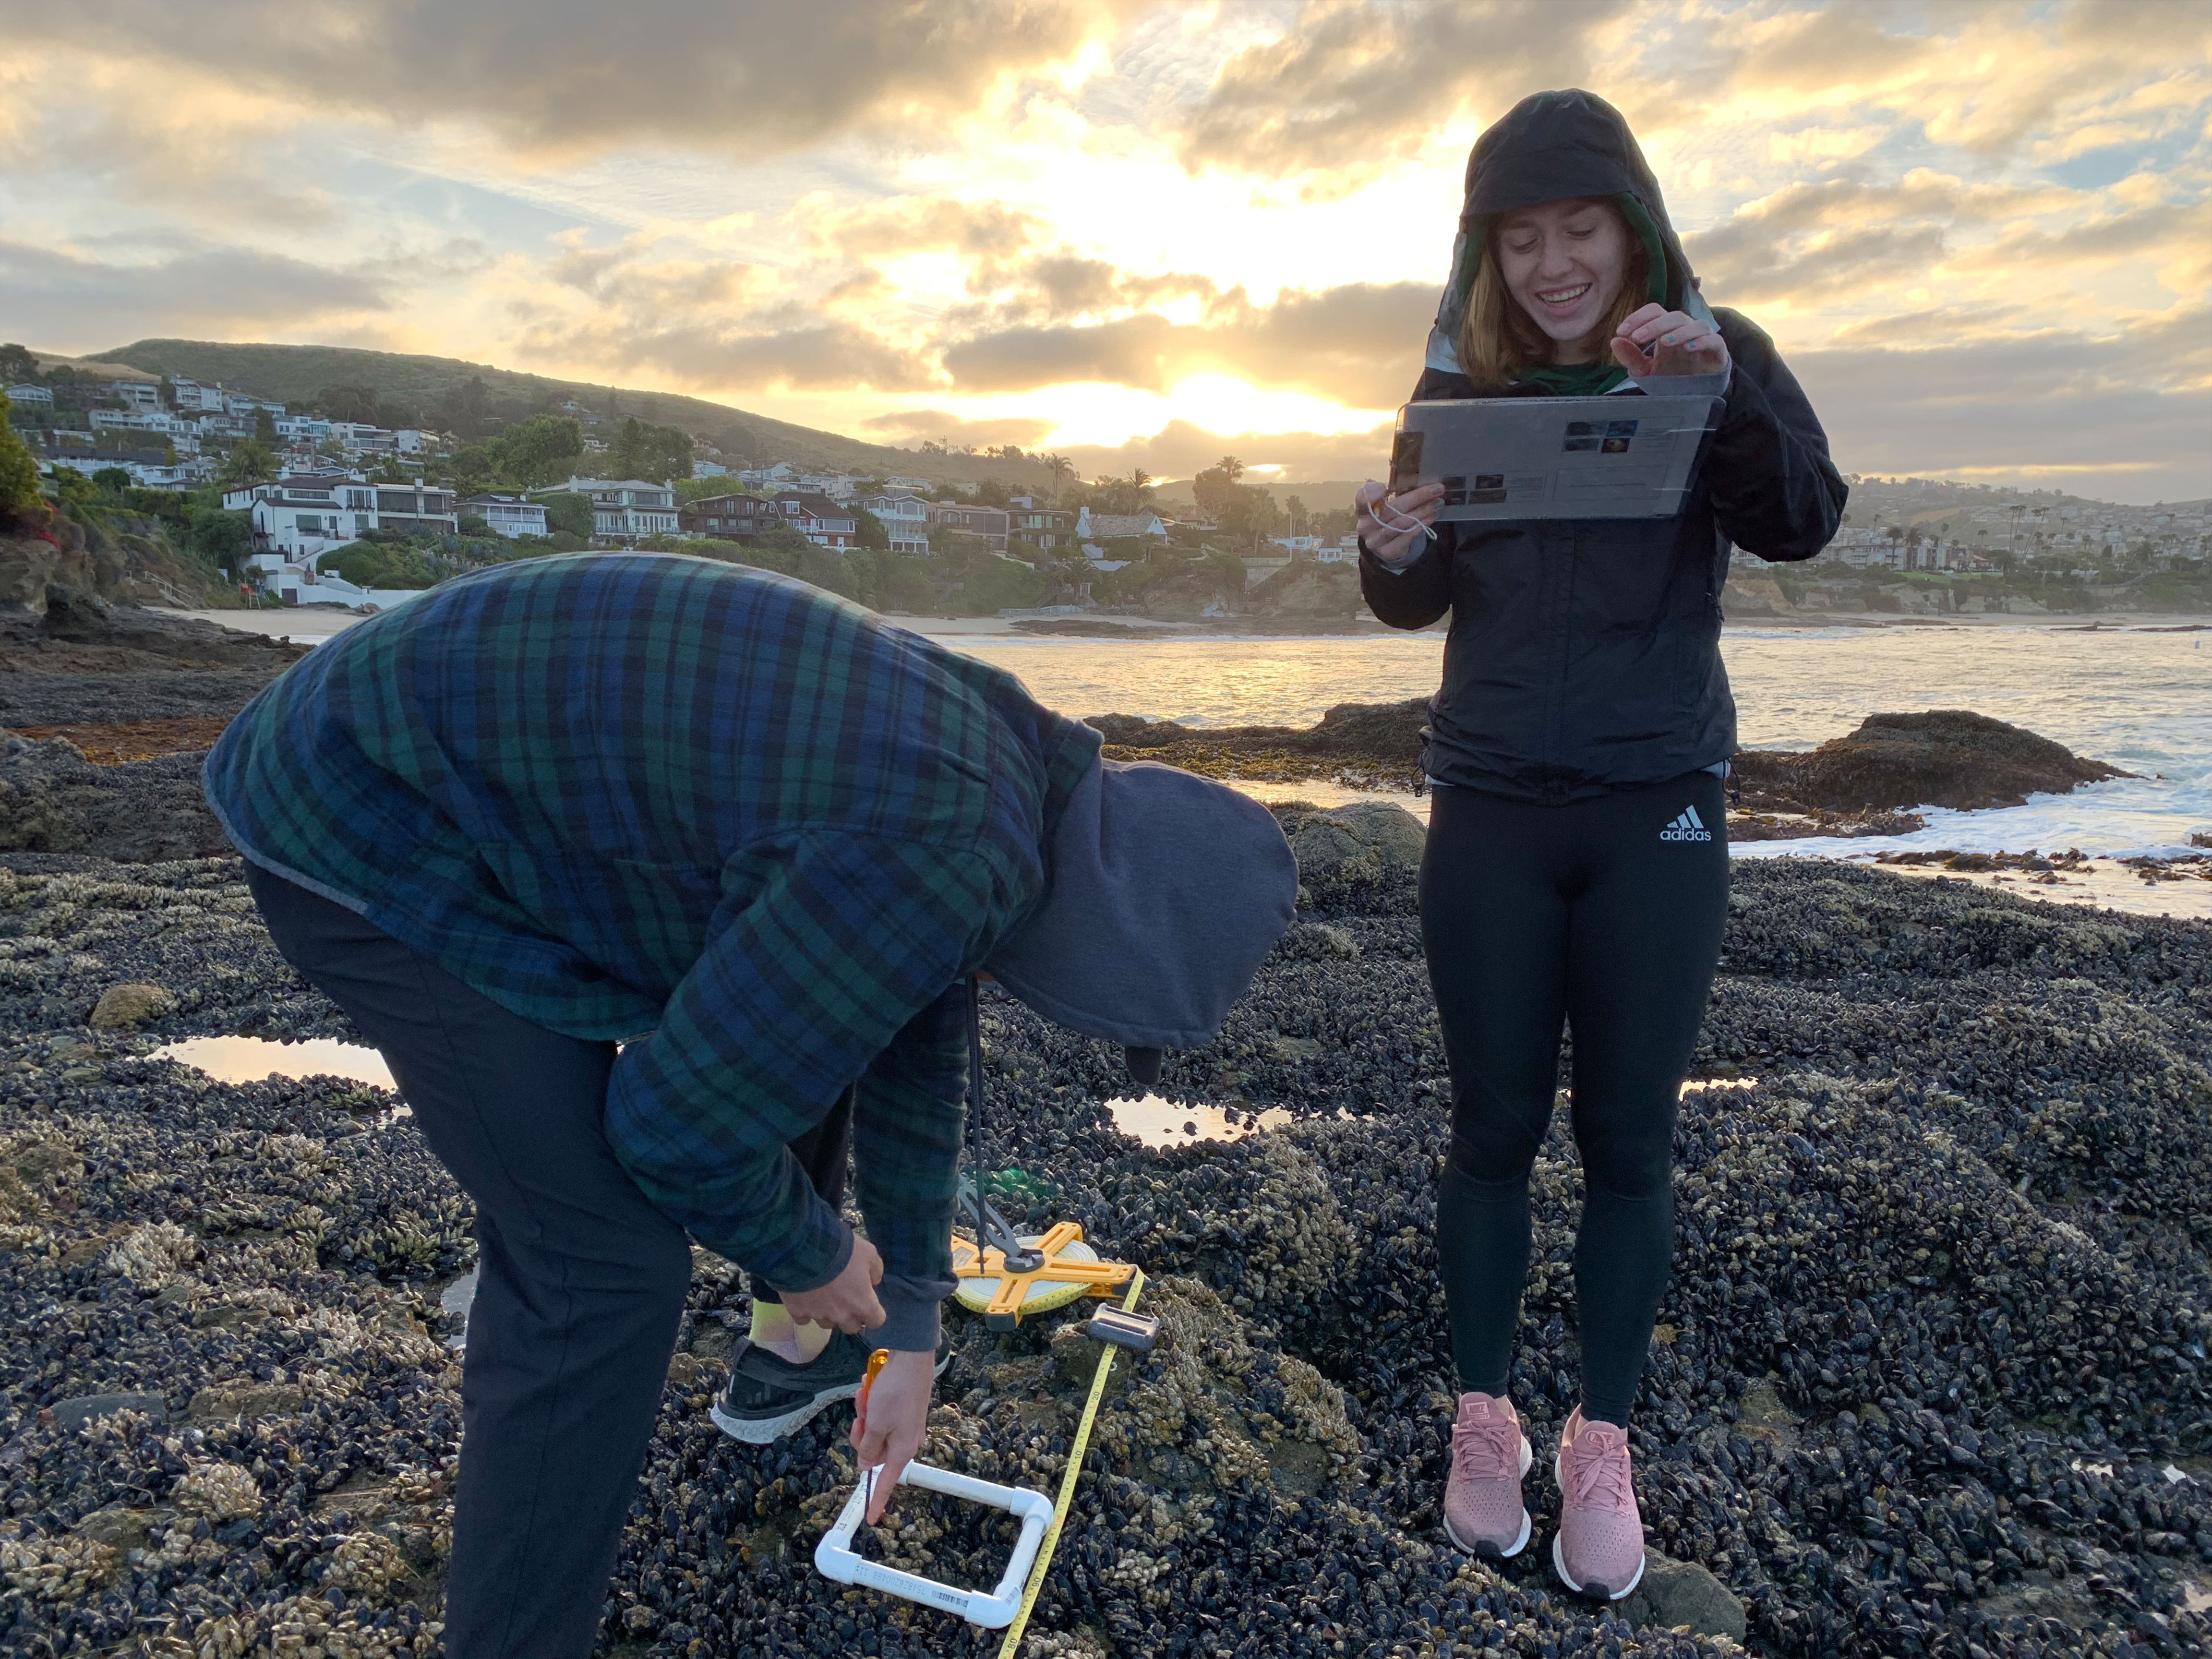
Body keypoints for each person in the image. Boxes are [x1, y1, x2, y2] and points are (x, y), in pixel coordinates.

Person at [201, 552, 1298, 1658]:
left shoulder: (1011, 769)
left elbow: (907, 1026)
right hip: (365, 804)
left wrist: (911, 1329)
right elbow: (668, 1126)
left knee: (799, 1020)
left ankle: (798, 1352)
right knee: (599, 1265)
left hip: (475, 757)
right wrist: (811, 1249)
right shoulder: (942, 845)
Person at [1354, 90, 1844, 1600]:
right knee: (1490, 1130)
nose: (1554, 262)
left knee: (1631, 1140)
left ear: (1632, 229)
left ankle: (1602, 1442)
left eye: (1580, 229)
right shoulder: (1458, 378)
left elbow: (1801, 521)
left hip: (1659, 804)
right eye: (1522, 236)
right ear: (1485, 252)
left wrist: (1725, 385)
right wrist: (1389, 551)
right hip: (1492, 802)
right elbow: (1418, 601)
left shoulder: (1712, 350)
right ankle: (1484, 1421)